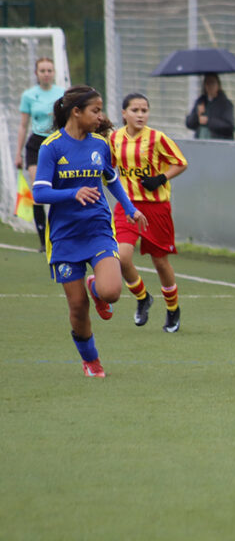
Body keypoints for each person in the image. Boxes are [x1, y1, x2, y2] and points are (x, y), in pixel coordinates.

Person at [32, 86, 148, 378]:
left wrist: (130, 209)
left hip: (97, 229)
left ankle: (96, 287)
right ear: (76, 112)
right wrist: (72, 193)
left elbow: (112, 179)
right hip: (64, 237)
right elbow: (39, 193)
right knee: (78, 307)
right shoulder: (51, 147)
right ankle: (91, 361)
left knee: (112, 292)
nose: (100, 116)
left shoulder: (99, 144)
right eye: (95, 111)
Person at [109, 93, 189, 332]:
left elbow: (181, 163)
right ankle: (143, 298)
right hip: (128, 206)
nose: (140, 114)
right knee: (121, 257)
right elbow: (109, 169)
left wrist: (160, 178)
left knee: (160, 262)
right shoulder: (114, 138)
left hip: (156, 208)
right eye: (135, 110)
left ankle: (172, 309)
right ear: (124, 113)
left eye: (144, 110)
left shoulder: (157, 138)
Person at [16, 57, 65, 250]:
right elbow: (23, 125)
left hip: (56, 143)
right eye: (42, 71)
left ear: (54, 73)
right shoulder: (29, 96)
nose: (46, 74)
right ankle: (43, 241)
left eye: (49, 70)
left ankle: (60, 234)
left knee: (59, 188)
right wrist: (18, 153)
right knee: (39, 190)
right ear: (36, 73)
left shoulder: (62, 93)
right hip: (36, 144)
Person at [185, 73, 235, 140]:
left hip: (218, 142)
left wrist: (208, 121)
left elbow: (229, 127)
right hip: (201, 141)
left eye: (212, 83)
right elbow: (189, 124)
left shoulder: (225, 104)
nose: (210, 86)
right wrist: (197, 114)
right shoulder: (201, 101)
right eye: (207, 83)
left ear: (218, 85)